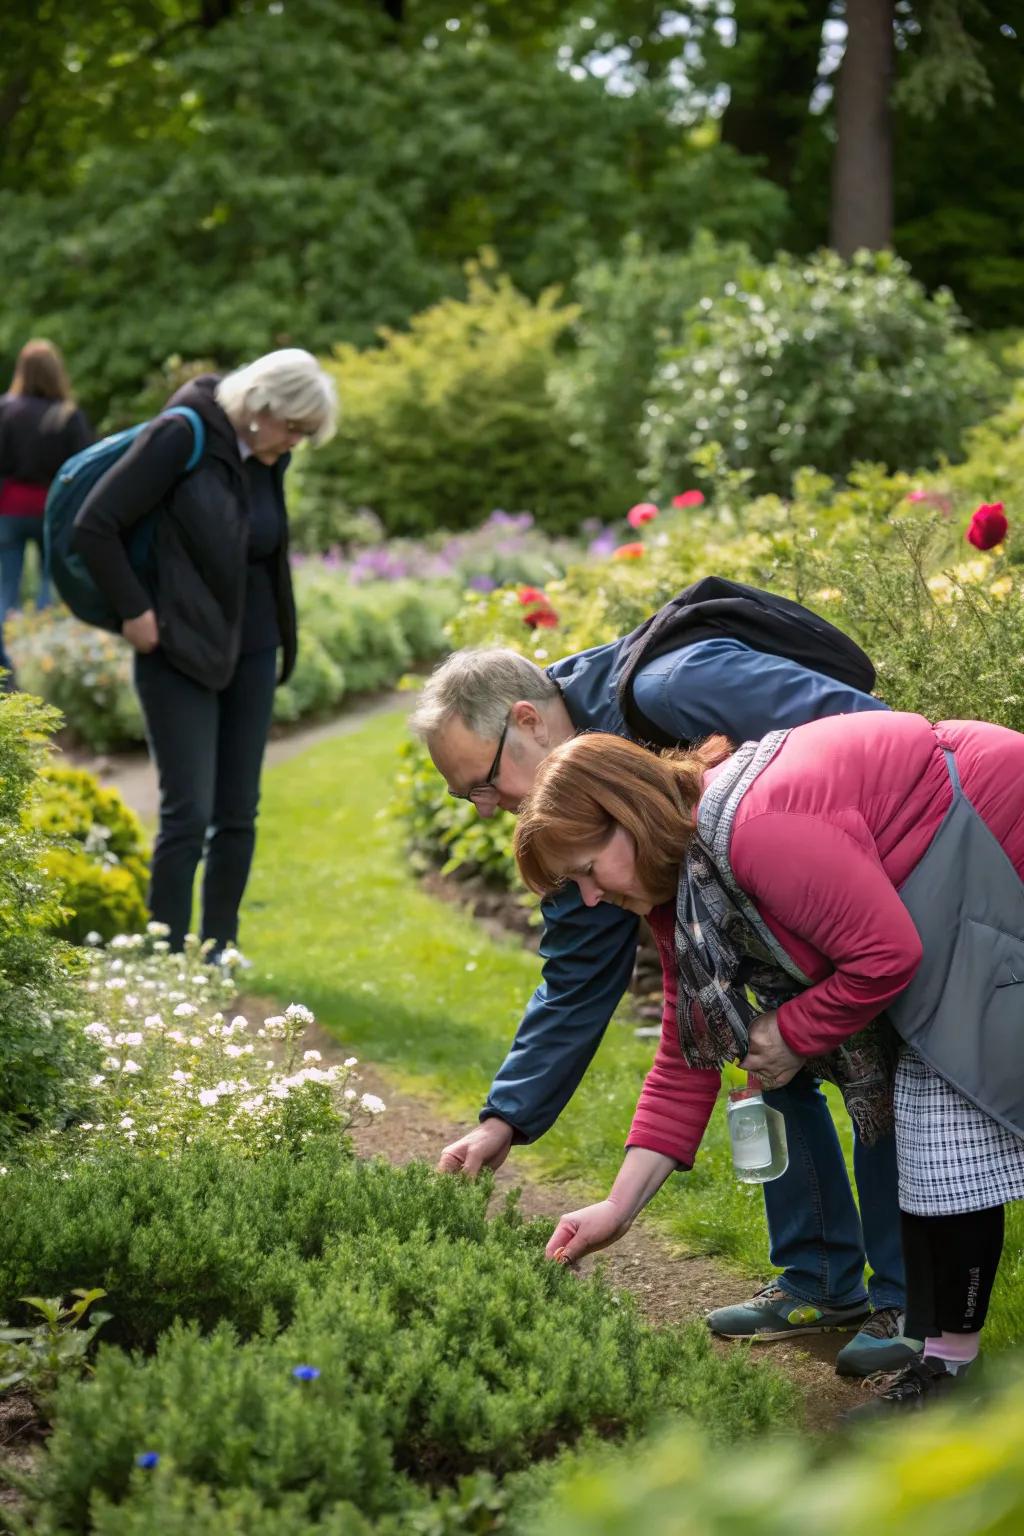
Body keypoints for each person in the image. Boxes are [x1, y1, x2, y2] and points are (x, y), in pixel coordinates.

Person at [411, 637, 915, 1377]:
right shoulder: (612, 856)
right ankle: (820, 1281)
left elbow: (855, 733)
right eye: (466, 801)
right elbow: (642, 1015)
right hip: (759, 920)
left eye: (483, 783)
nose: (486, 808)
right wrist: (507, 1122)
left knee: (883, 1071)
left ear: (526, 720)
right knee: (753, 1056)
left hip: (843, 882)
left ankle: (908, 1297)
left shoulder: (674, 685)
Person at [513, 712, 1024, 1411]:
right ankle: (948, 1371)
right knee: (941, 1125)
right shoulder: (684, 888)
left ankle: (948, 1376)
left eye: (586, 872)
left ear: (628, 816)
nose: (592, 897)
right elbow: (685, 1050)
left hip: (995, 836)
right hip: (949, 881)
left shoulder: (756, 830)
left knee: (950, 1112)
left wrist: (793, 1031)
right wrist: (618, 1207)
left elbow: (886, 957)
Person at [72, 349, 337, 954]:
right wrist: (135, 612)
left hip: (252, 646)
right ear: (261, 408)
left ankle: (219, 948)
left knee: (238, 812)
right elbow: (95, 525)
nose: (295, 443)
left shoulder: (269, 453)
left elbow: (260, 547)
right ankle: (168, 955)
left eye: (306, 434)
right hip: (177, 647)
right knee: (187, 813)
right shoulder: (181, 433)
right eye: (293, 428)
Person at [0, 339, 92, 683]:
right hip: (51, 507)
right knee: (49, 586)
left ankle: (7, 669)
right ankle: (44, 663)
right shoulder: (67, 415)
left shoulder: (5, 410)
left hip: (9, 508)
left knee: (6, 588)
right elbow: (82, 467)